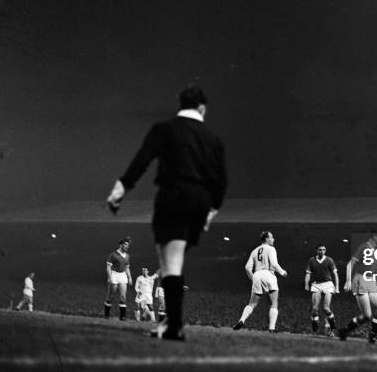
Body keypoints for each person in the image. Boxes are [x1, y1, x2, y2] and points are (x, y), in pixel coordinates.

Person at [106, 84, 227, 340]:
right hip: (201, 202)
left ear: (179, 105)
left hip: (173, 196)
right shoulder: (213, 138)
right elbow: (221, 181)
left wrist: (119, 190)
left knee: (170, 262)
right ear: (202, 108)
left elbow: (141, 160)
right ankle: (170, 323)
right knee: (175, 259)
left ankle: (174, 326)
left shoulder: (165, 129)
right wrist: (211, 212)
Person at [338, 230, 377, 344]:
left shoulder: (375, 251)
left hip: (371, 281)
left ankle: (372, 338)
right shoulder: (363, 247)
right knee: (367, 316)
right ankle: (344, 331)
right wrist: (348, 281)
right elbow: (350, 264)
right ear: (374, 237)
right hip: (360, 280)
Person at [233, 231, 288, 333]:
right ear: (266, 239)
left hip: (257, 275)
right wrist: (282, 272)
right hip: (268, 274)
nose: (273, 239)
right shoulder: (271, 249)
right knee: (273, 303)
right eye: (272, 237)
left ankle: (242, 320)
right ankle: (271, 329)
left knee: (252, 303)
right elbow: (274, 263)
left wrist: (253, 278)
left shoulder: (254, 251)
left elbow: (247, 268)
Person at [304, 244, 339, 337]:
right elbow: (308, 274)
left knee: (326, 308)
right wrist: (306, 284)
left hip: (328, 284)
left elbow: (335, 274)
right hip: (316, 285)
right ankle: (315, 332)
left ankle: (332, 330)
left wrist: (337, 287)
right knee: (315, 309)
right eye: (320, 250)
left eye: (323, 250)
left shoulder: (329, 260)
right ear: (316, 250)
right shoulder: (312, 260)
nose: (322, 251)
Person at [103, 237, 133, 320]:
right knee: (110, 297)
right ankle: (106, 315)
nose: (127, 246)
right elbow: (108, 267)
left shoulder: (127, 256)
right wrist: (109, 277)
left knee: (123, 297)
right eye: (125, 244)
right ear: (121, 245)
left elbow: (127, 268)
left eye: (128, 245)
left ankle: (122, 317)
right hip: (114, 275)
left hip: (123, 275)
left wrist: (129, 278)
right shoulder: (113, 254)